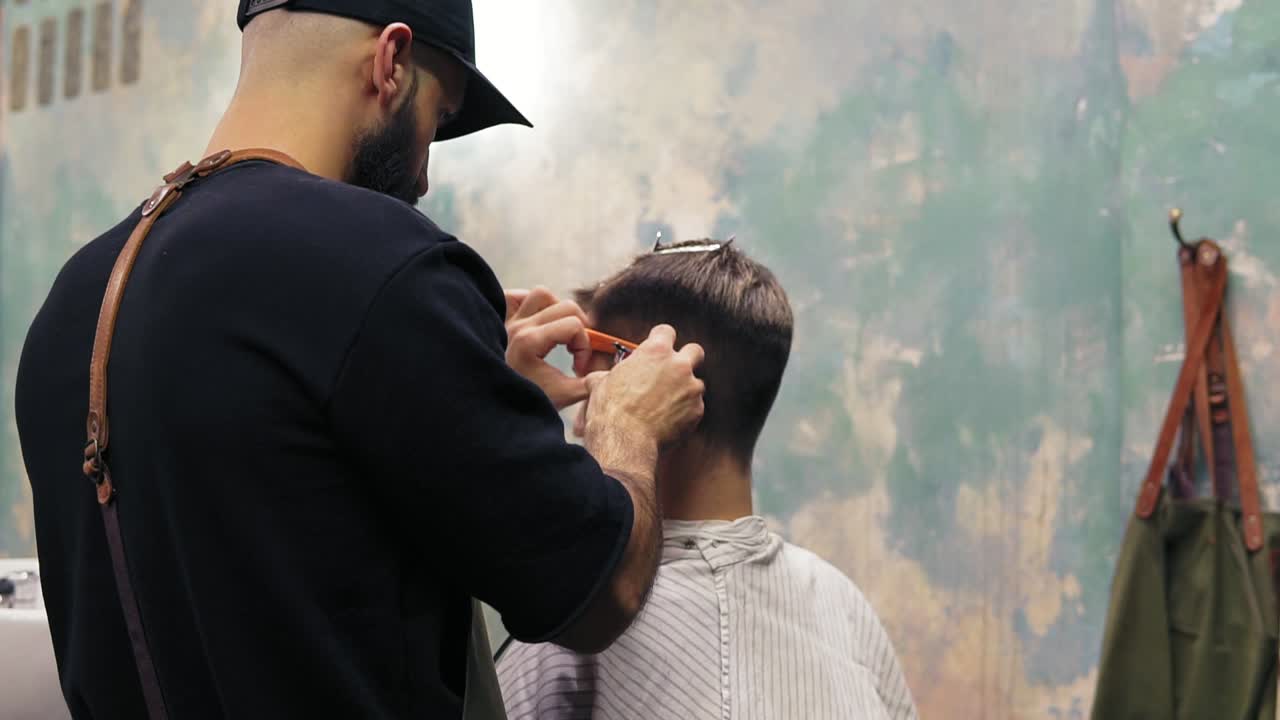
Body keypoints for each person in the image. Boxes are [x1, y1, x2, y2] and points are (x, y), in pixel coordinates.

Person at [13, 1, 705, 717]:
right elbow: (599, 592)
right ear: (392, 63)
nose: (425, 177)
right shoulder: (383, 261)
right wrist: (629, 425)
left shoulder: (74, 300)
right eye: (437, 124)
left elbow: (273, 515)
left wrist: (465, 396)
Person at [496, 239, 918, 720]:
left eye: (595, 357)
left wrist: (492, 410)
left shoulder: (584, 618)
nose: (582, 408)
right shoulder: (842, 605)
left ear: (647, 375)